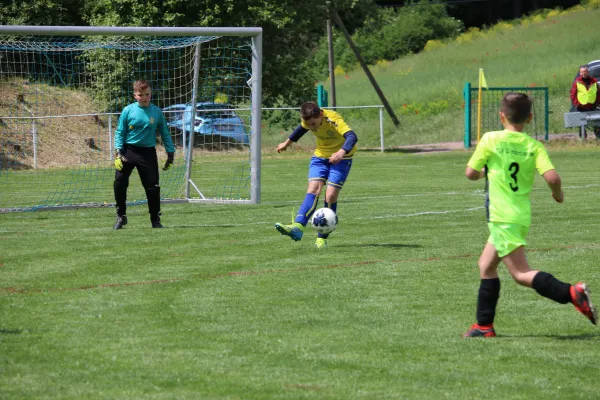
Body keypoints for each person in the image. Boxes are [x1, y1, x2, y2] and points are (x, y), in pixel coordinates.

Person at [463, 92, 597, 338]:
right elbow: (553, 177)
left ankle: (572, 293)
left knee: (521, 274)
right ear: (530, 118)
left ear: (501, 115)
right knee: (486, 265)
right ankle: (484, 326)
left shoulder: (490, 139)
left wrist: (487, 171)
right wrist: (557, 194)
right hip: (518, 215)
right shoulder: (534, 146)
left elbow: (471, 173)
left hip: (502, 217)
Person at [274, 101, 358, 249]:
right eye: (309, 124)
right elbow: (300, 129)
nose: (312, 127)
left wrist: (341, 152)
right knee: (313, 188)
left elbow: (352, 137)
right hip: (320, 157)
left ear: (320, 115)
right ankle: (297, 228)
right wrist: (286, 143)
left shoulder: (333, 119)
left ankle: (322, 238)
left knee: (330, 196)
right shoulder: (307, 120)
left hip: (342, 158)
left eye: (314, 124)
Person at [113, 79, 175, 229]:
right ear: (135, 95)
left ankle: (155, 220)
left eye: (147, 94)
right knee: (119, 183)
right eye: (141, 94)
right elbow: (120, 132)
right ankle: (121, 216)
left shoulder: (156, 112)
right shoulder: (128, 110)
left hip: (148, 153)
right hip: (128, 151)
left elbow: (165, 133)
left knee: (152, 187)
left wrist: (170, 153)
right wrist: (118, 151)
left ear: (151, 94)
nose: (144, 97)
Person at [570, 64, 600, 138]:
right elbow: (573, 94)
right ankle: (583, 137)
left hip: (592, 106)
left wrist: (596, 102)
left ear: (588, 72)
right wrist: (577, 104)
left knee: (595, 123)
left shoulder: (594, 81)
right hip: (581, 107)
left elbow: (598, 93)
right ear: (580, 73)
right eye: (582, 72)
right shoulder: (577, 82)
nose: (584, 73)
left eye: (585, 72)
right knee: (582, 124)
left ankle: (598, 137)